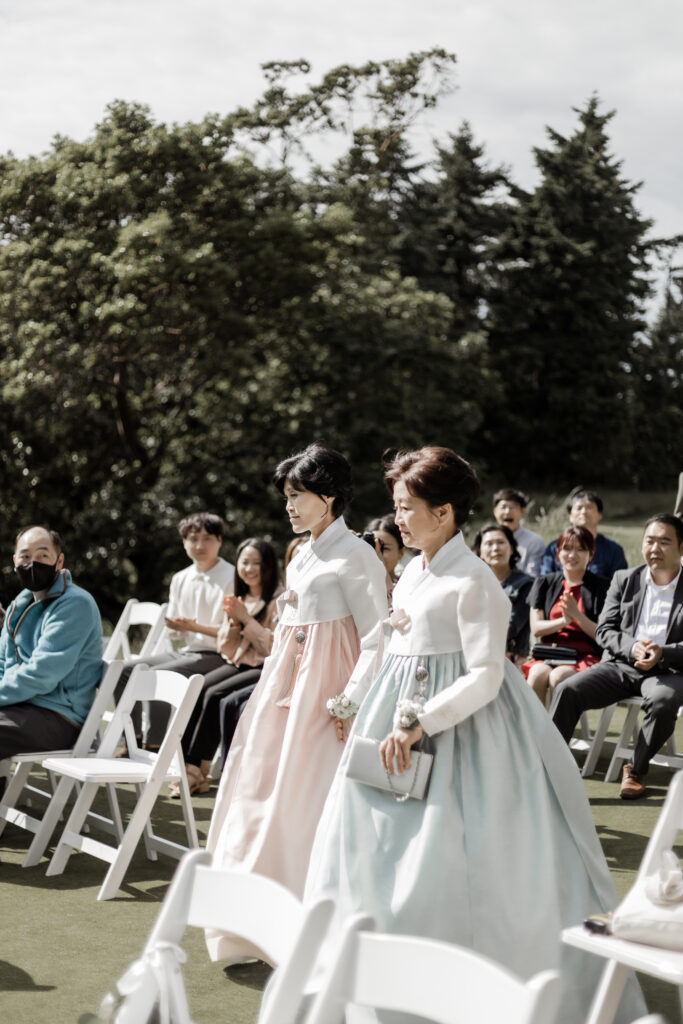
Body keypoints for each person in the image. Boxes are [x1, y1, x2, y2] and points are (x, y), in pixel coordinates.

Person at [305, 447, 644, 1024]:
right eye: (397, 507)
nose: (399, 519)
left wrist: (418, 723)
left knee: (462, 862)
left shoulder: (473, 581)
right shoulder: (412, 569)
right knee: (371, 848)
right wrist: (364, 700)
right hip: (395, 719)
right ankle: (372, 980)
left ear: (444, 513)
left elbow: (487, 675)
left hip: (465, 735)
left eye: (408, 508)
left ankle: (475, 990)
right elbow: (392, 647)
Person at [205, 443, 387, 962]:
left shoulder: (357, 555)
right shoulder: (304, 551)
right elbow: (290, 631)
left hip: (327, 695)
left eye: (298, 494)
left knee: (310, 801)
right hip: (285, 687)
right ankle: (257, 925)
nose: (288, 505)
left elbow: (376, 637)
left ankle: (315, 929)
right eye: (286, 495)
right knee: (266, 792)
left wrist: (350, 701)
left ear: (328, 496)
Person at [551, 514, 683, 800]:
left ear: (681, 548)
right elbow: (605, 631)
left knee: (664, 701)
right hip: (621, 664)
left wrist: (664, 652)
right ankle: (549, 767)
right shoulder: (625, 579)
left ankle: (636, 770)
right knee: (567, 689)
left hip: (668, 670)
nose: (655, 548)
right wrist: (632, 646)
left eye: (664, 541)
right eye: (650, 540)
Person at [171, 537, 282, 795]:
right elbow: (226, 647)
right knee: (199, 688)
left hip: (263, 666)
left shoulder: (279, 598)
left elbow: (271, 648)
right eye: (245, 562)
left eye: (257, 563)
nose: (250, 569)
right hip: (238, 662)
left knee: (215, 695)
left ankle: (197, 770)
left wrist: (246, 619)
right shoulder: (237, 597)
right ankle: (189, 765)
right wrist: (233, 624)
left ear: (269, 567)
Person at [114, 512, 234, 750]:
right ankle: (131, 741)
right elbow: (178, 635)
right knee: (124, 670)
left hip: (219, 655)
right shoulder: (180, 578)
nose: (200, 545)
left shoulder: (232, 576)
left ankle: (154, 744)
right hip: (188, 651)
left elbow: (232, 634)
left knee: (158, 673)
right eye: (193, 538)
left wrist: (192, 627)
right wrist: (176, 628)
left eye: (207, 538)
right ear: (184, 543)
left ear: (219, 540)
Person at [0, 526, 102, 760]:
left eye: (43, 555)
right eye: (25, 556)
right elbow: (2, 663)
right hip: (20, 706)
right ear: (15, 561)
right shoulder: (19, 604)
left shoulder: (75, 604)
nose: (33, 563)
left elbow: (41, 675)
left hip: (60, 717)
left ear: (59, 561)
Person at [523, 526, 609, 705]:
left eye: (580, 549)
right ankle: (534, 732)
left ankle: (558, 732)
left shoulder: (602, 587)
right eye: (567, 549)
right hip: (548, 653)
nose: (572, 555)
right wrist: (564, 620)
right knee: (537, 674)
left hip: (584, 656)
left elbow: (603, 634)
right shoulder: (543, 583)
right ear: (558, 553)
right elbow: (537, 629)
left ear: (591, 554)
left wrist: (577, 615)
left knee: (558, 677)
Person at [472, 523, 533, 664]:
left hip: (509, 659)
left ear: (512, 548)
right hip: (473, 655)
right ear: (480, 551)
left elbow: (511, 627)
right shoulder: (473, 583)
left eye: (501, 542)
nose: (495, 548)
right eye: (488, 543)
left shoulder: (526, 584)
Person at [540, 490, 627, 580]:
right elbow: (545, 581)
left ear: (600, 514)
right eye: (579, 508)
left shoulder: (614, 550)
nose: (584, 512)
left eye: (589, 507)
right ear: (570, 515)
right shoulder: (554, 547)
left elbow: (619, 586)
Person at [492, 487, 546, 575]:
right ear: (495, 511)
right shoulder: (485, 540)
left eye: (512, 507)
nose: (507, 511)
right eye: (503, 507)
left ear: (522, 511)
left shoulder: (534, 542)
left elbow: (533, 576)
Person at [365, 514, 406, 594]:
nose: (377, 554)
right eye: (372, 546)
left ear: (401, 552)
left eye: (384, 548)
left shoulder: (408, 585)